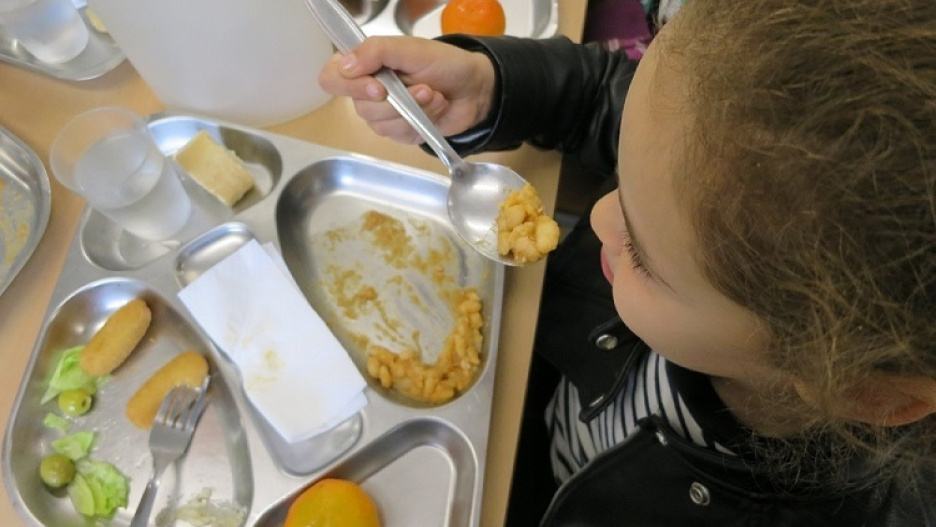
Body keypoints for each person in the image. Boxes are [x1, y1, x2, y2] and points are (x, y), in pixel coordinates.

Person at [319, 0, 936, 525]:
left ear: (860, 390)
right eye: (620, 180)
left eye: (641, 251)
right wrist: (497, 87)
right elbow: (605, 99)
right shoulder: (718, 174)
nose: (596, 219)